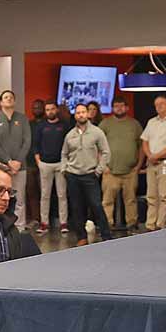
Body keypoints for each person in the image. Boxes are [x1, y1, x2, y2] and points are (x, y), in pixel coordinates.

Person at [61, 102, 113, 244]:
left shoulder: (97, 132)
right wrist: (64, 169)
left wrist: (99, 170)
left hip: (91, 175)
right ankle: (81, 237)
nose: (81, 115)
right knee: (77, 208)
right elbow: (64, 153)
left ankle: (106, 235)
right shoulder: (70, 135)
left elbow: (106, 151)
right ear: (75, 115)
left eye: (83, 112)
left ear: (88, 114)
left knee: (96, 205)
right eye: (78, 113)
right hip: (73, 175)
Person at [0, 90, 32, 229]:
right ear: (0, 102)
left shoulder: (22, 119)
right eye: (6, 97)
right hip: (1, 167)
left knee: (19, 198)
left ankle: (20, 227)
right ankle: (1, 226)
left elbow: (27, 141)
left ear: (15, 101)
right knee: (0, 197)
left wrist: (18, 161)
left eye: (11, 97)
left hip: (20, 166)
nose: (9, 99)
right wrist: (9, 161)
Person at [137, 95, 166, 231]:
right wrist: (150, 156)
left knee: (164, 195)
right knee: (151, 195)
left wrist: (156, 156)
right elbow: (144, 141)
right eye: (156, 105)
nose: (159, 107)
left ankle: (160, 225)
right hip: (152, 163)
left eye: (162, 104)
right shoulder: (152, 122)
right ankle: (150, 225)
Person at [98, 97, 143, 234]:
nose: (119, 108)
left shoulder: (134, 124)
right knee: (107, 201)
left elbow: (142, 146)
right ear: (112, 108)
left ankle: (132, 225)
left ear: (126, 108)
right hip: (110, 171)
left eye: (121, 106)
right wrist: (103, 165)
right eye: (116, 106)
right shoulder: (105, 124)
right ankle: (107, 226)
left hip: (130, 171)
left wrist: (139, 165)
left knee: (130, 200)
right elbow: (96, 146)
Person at [31, 100, 69, 236]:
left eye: (52, 109)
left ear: (56, 110)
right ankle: (44, 223)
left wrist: (66, 162)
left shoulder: (64, 125)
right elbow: (35, 145)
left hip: (60, 164)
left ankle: (63, 223)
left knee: (62, 195)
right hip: (45, 164)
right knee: (45, 195)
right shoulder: (40, 126)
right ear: (45, 111)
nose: (50, 112)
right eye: (47, 110)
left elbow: (68, 145)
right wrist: (38, 162)